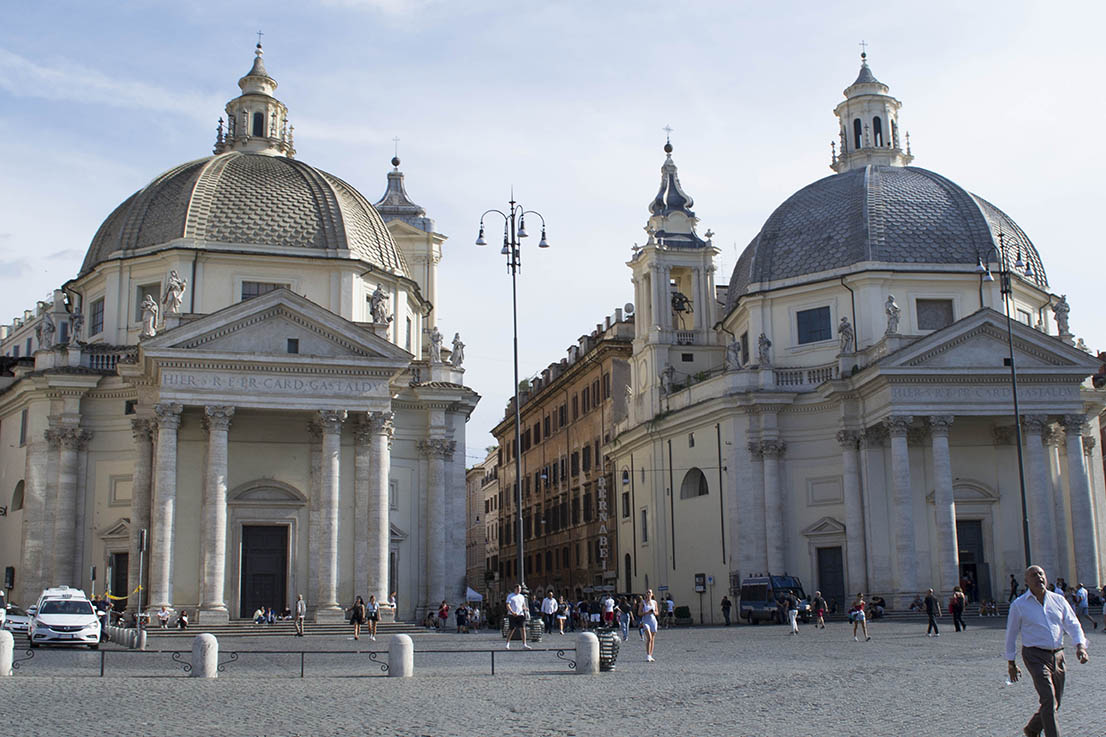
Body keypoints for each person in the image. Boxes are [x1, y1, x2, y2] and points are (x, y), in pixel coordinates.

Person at [1005, 565, 1089, 737]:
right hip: (1034, 655)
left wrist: (1080, 645)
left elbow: (1072, 623)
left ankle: (1033, 728)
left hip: (1058, 655)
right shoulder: (1019, 605)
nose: (1039, 578)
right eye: (1033, 575)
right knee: (1048, 699)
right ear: (1027, 581)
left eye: (1041, 574)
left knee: (1055, 701)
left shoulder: (1058, 600)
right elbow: (1011, 634)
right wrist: (1011, 662)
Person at [505, 585, 531, 650]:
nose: (519, 590)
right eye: (518, 588)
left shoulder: (522, 597)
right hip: (512, 615)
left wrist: (525, 608)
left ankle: (524, 644)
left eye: (520, 589)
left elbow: (522, 605)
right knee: (512, 629)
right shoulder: (510, 596)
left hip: (520, 614)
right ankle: (507, 644)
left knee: (523, 629)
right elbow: (507, 605)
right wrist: (512, 612)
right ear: (515, 589)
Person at [639, 589, 660, 662]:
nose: (648, 593)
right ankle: (648, 655)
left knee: (652, 639)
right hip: (645, 621)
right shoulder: (643, 602)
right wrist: (646, 612)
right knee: (649, 638)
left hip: (653, 621)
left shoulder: (654, 602)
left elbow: (657, 612)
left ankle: (651, 655)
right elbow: (639, 613)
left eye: (649, 592)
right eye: (647, 592)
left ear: (652, 594)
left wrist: (654, 612)